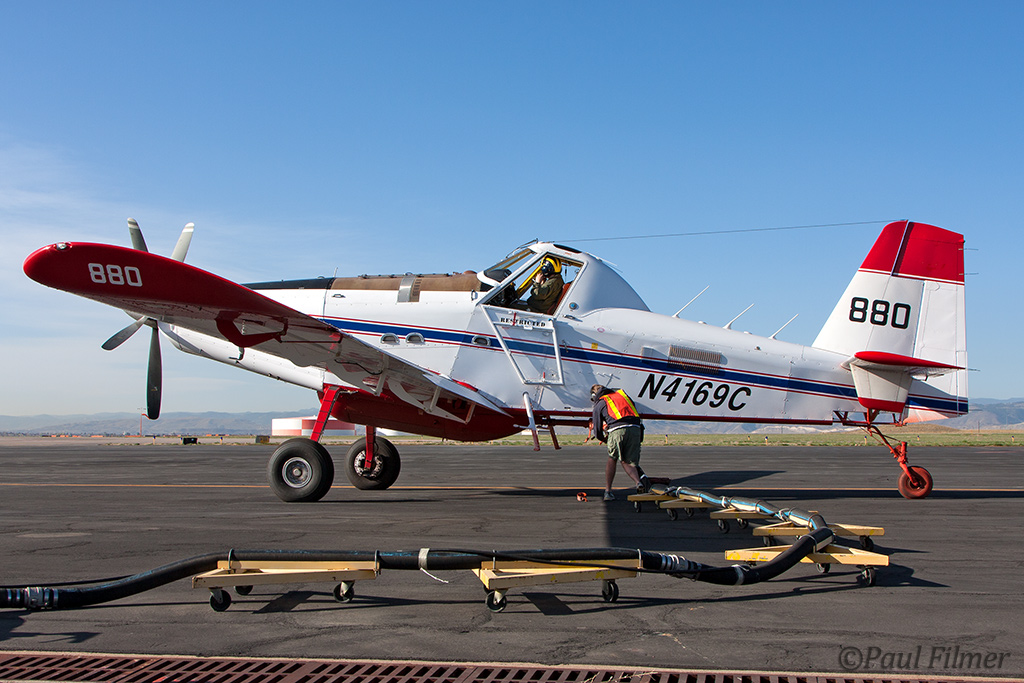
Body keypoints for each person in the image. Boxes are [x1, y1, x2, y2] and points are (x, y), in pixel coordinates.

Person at [590, 384, 649, 501]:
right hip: (636, 429)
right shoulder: (622, 396)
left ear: (594, 395)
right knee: (629, 461)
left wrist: (604, 439)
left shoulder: (601, 402)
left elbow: (597, 430)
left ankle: (608, 491)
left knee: (612, 458)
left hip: (617, 430)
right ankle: (638, 482)